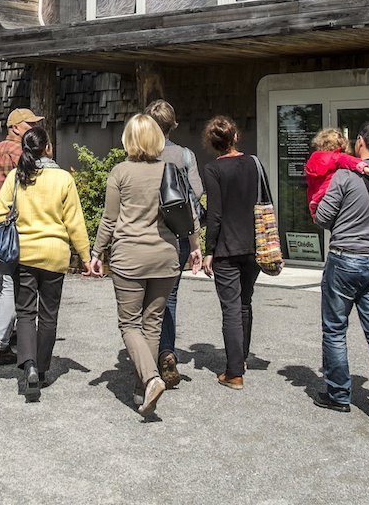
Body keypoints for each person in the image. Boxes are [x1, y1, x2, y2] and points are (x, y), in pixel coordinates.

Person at [91, 113, 201, 418]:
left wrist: (96, 252)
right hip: (166, 257)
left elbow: (110, 219)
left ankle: (151, 379)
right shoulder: (170, 169)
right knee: (152, 324)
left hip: (130, 258)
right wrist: (195, 247)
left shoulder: (120, 172)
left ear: (129, 139)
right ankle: (143, 389)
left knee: (129, 324)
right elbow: (187, 210)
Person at [312, 119, 369, 429]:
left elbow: (324, 217)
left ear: (362, 143)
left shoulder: (344, 176)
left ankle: (339, 395)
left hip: (344, 260)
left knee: (335, 329)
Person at [0, 124, 90, 402]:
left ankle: (29, 364)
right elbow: (75, 222)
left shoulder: (16, 176)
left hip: (24, 254)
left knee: (25, 313)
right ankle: (43, 370)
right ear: (48, 147)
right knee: (49, 315)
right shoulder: (63, 179)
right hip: (55, 255)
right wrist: (86, 256)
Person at [198, 115, 261, 389]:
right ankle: (242, 358)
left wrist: (209, 249)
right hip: (254, 245)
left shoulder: (213, 170)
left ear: (212, 143)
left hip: (226, 247)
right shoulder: (254, 163)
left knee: (231, 309)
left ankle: (234, 372)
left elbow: (215, 214)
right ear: (235, 136)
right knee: (245, 303)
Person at [145, 99, 204, 389]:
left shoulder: (140, 155)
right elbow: (197, 192)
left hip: (146, 234)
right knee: (169, 297)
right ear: (173, 125)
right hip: (178, 234)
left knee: (143, 297)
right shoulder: (185, 155)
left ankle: (148, 357)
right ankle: (166, 350)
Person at [0, 107, 42, 366]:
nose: (34, 127)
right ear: (16, 127)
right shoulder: (20, 153)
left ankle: (2, 330)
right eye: (29, 124)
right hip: (15, 226)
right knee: (9, 284)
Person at [305, 127, 369, 218]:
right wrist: (364, 167)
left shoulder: (313, 159)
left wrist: (312, 202)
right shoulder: (337, 157)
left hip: (315, 198)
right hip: (328, 194)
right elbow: (350, 161)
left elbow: (310, 184)